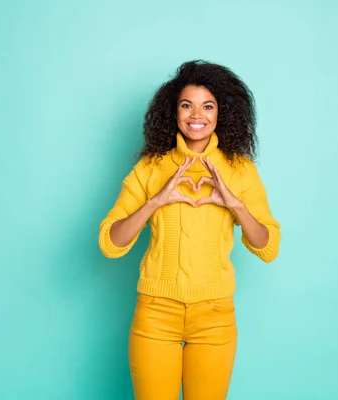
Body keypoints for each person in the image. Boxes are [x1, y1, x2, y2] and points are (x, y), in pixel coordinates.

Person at [98, 60, 281, 400]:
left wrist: (236, 206)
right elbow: (110, 242)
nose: (197, 114)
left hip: (215, 317)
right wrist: (154, 201)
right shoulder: (150, 167)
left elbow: (268, 247)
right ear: (174, 112)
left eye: (207, 106)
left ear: (221, 113)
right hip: (155, 314)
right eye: (187, 105)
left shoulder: (240, 170)